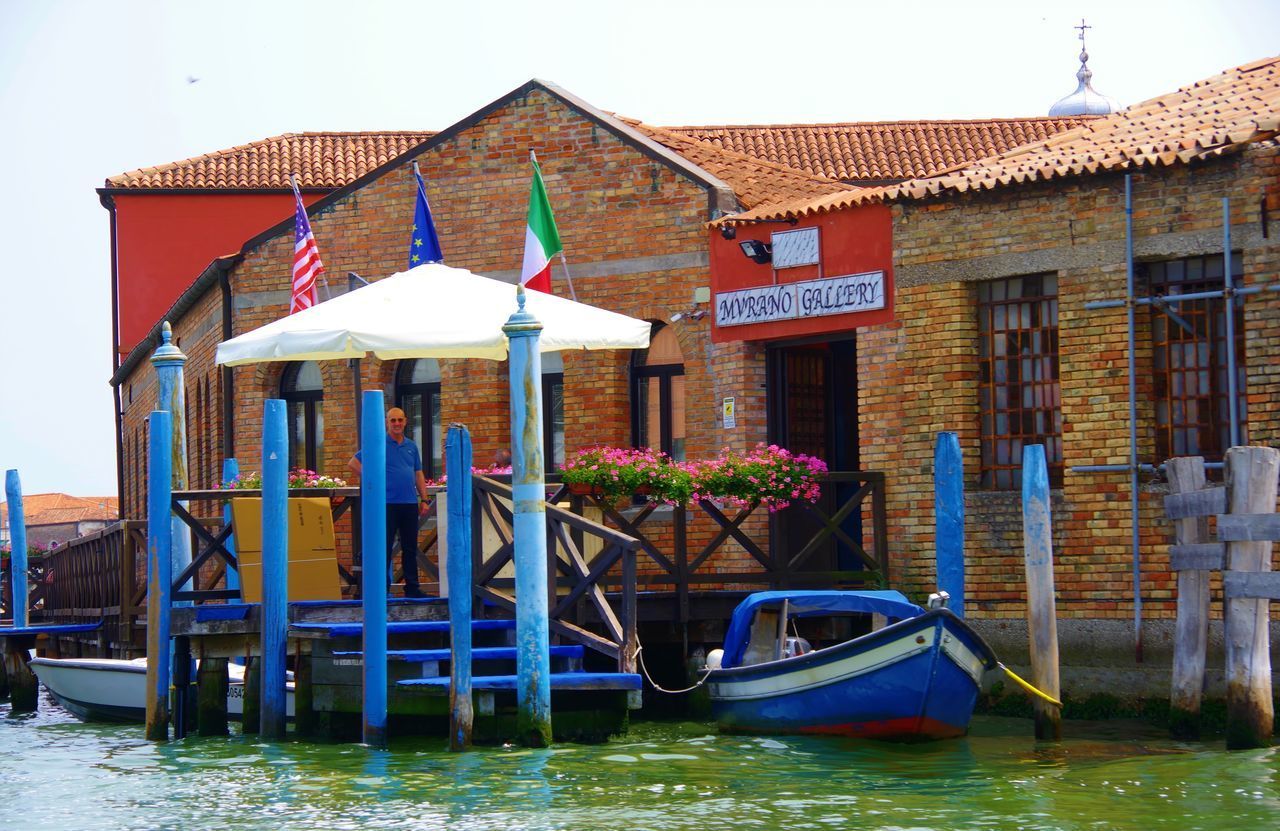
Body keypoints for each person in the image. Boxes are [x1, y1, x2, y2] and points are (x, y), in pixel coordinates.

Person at [348, 407, 430, 598]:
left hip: (409, 503)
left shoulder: (411, 446)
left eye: (400, 420)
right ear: (386, 422)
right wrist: (374, 479)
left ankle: (412, 588)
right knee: (383, 547)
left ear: (405, 421)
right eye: (393, 420)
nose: (397, 424)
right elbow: (353, 463)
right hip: (386, 504)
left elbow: (418, 472)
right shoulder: (378, 444)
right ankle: (381, 589)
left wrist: (424, 499)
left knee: (410, 547)